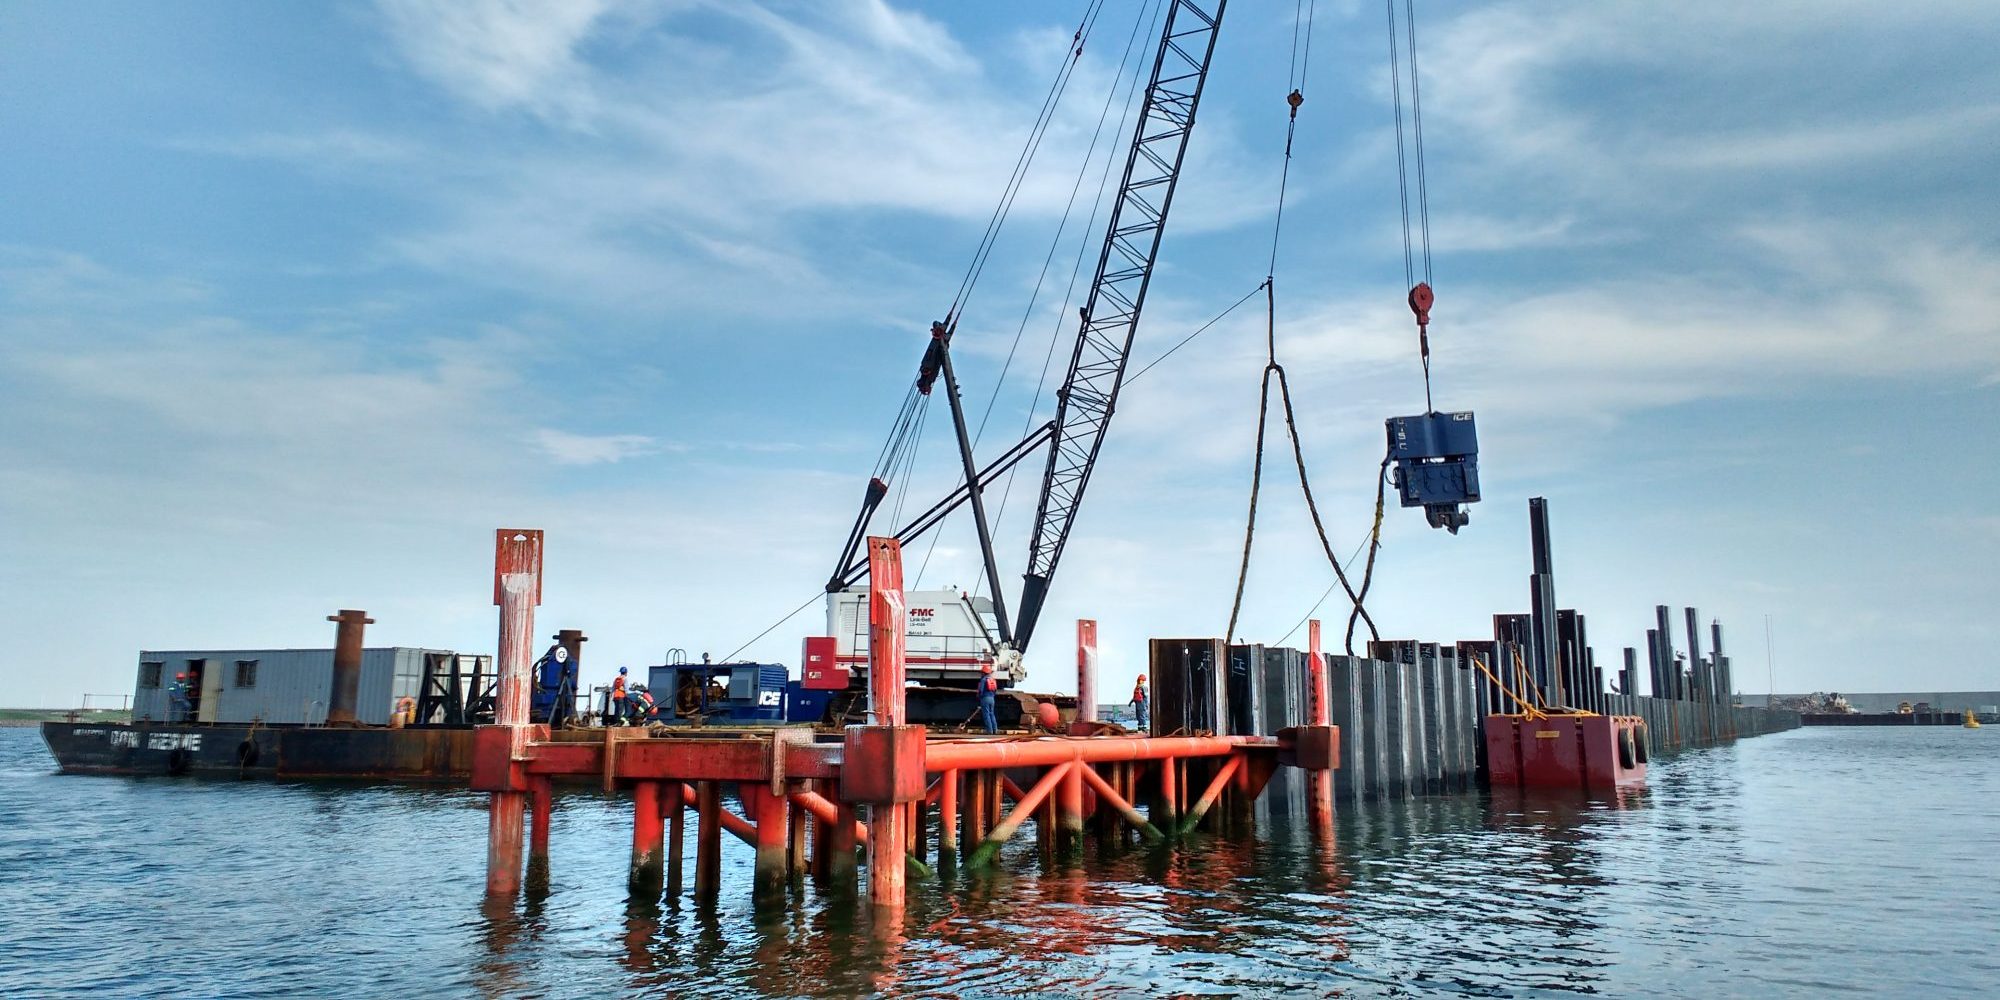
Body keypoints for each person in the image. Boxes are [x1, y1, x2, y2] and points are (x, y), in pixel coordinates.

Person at [977, 663, 1000, 734]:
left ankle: (989, 731)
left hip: (985, 698)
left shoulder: (983, 680)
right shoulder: (993, 680)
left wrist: (979, 696)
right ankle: (995, 730)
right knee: (992, 714)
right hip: (992, 699)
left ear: (983, 672)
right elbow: (995, 690)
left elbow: (981, 690)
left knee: (986, 714)